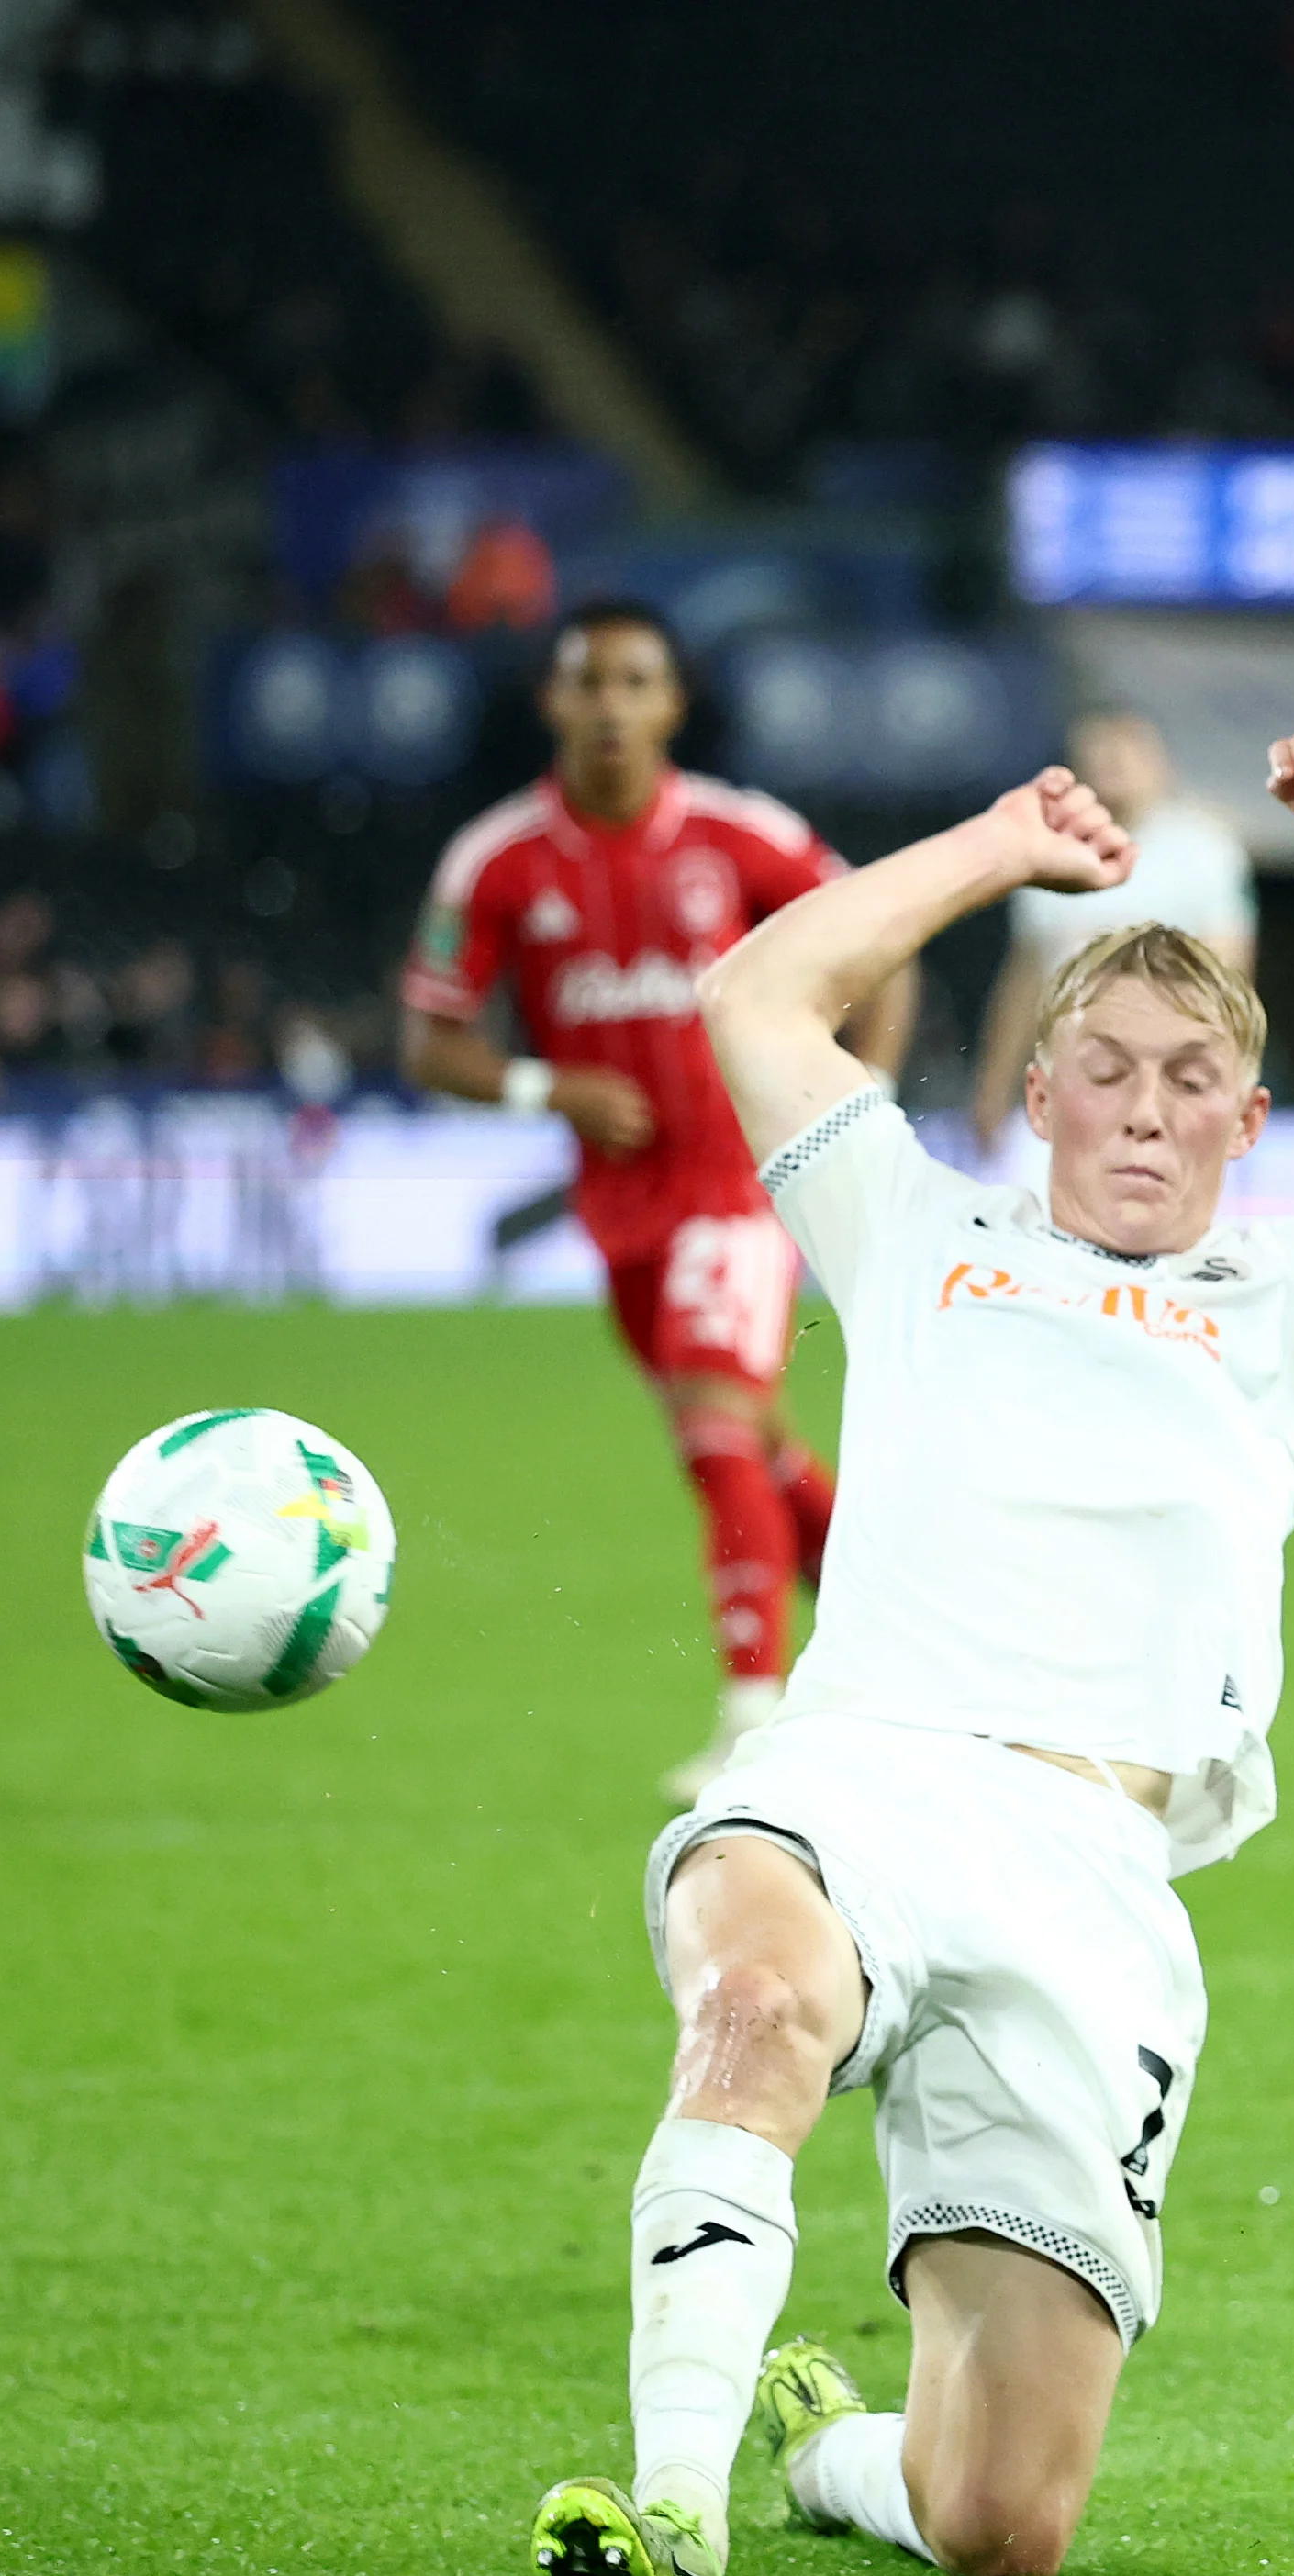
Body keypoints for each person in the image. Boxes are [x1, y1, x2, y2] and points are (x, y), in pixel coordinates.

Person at [530, 698, 1294, 2576]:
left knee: (1002, 2515)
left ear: (1248, 1123)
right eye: (1100, 1068)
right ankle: (671, 2506)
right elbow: (757, 994)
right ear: (1034, 1090)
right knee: (757, 2003)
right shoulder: (911, 1223)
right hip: (863, 1774)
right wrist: (1000, 846)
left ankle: (820, 2456)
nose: (1142, 1107)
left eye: (1192, 1077)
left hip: (1094, 1878)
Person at [401, 600, 901, 1798]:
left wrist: (860, 1095)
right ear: (552, 700)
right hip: (621, 1208)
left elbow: (881, 936)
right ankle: (917, 1646)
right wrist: (546, 1086)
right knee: (753, 1443)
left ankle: (754, 1717)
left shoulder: (741, 836)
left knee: (719, 1422)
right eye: (589, 682)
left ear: (672, 704)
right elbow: (430, 1042)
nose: (611, 706)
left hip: (740, 1181)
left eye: (636, 682)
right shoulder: (498, 861)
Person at [970, 704, 1256, 1161]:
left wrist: (1220, 1078)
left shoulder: (1205, 850)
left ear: (1161, 763)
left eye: (1128, 748)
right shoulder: (1047, 852)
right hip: (1071, 1075)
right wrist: (993, 1085)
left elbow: (1228, 975)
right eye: (1100, 751)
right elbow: (1025, 981)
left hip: (1169, 1075)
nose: (1114, 762)